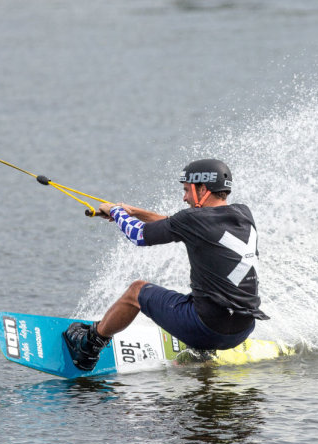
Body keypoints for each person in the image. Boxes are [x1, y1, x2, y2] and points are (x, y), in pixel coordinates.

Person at [63, 159, 269, 372]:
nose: (184, 197)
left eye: (187, 190)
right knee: (202, 294)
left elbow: (138, 235)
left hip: (206, 328)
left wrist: (115, 211)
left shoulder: (193, 220)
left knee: (136, 291)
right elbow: (177, 223)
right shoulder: (243, 214)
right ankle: (203, 353)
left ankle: (89, 346)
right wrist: (134, 212)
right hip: (242, 329)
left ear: (203, 189)